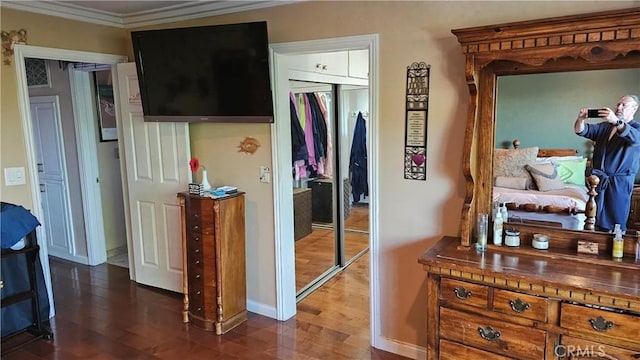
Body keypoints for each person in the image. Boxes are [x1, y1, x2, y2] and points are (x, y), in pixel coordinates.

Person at [574, 95, 640, 232]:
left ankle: (615, 246)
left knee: (616, 219)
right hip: (598, 181)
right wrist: (580, 119)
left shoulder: (636, 129)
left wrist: (616, 122)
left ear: (635, 109)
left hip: (619, 182)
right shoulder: (606, 127)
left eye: (624, 105)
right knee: (595, 218)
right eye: (618, 104)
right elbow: (581, 130)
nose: (619, 107)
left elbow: (635, 139)